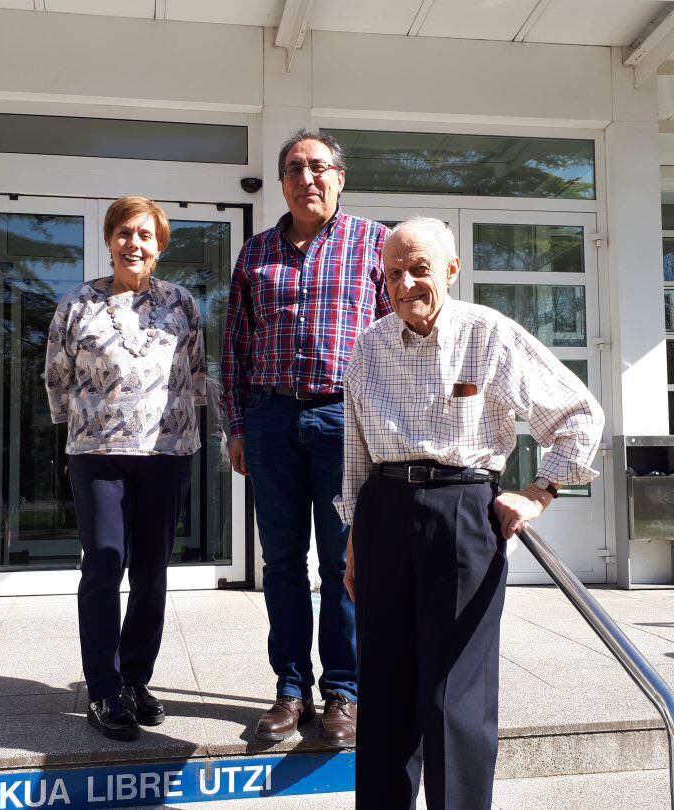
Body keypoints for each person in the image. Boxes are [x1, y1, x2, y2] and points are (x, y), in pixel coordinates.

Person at [338, 217, 604, 809]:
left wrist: (539, 491)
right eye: (393, 274)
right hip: (382, 510)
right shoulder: (369, 343)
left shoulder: (488, 334)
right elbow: (354, 450)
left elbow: (579, 414)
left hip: (461, 510)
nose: (405, 283)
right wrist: (355, 536)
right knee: (383, 688)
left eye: (419, 269)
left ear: (452, 270)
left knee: (454, 692)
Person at [220, 129, 390, 747]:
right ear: (282, 181)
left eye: (318, 167)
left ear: (339, 177)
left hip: (345, 421)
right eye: (294, 168)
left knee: (345, 561)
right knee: (283, 563)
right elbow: (234, 349)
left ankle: (343, 691)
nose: (306, 177)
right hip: (269, 421)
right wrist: (236, 427)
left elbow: (396, 343)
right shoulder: (256, 253)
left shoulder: (375, 244)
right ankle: (290, 689)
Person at [44, 196, 206, 742]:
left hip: (166, 453)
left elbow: (196, 375)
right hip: (97, 455)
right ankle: (103, 690)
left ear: (159, 247)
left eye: (145, 235)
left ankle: (136, 679)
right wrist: (81, 429)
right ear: (109, 239)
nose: (133, 243)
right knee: (104, 565)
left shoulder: (182, 304)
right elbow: (56, 373)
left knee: (153, 570)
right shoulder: (78, 303)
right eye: (123, 233)